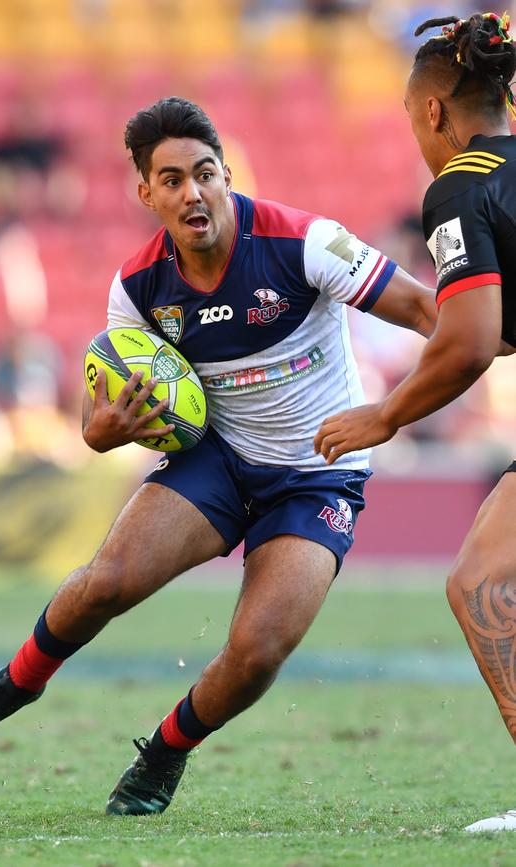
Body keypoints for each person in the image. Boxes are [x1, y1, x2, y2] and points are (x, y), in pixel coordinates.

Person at [0, 97, 435, 816]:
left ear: (226, 174)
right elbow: (94, 423)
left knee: (257, 651)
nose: (192, 192)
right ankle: (13, 681)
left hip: (318, 472)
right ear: (147, 194)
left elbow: (428, 313)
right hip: (220, 460)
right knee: (106, 581)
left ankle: (166, 749)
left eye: (204, 173)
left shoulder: (306, 244)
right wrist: (110, 428)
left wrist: (394, 410)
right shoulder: (138, 287)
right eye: (172, 180)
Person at [314, 11, 516, 833]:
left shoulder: (460, 184)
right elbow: (489, 329)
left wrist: (385, 414)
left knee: (481, 584)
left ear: (433, 111)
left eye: (409, 120)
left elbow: (469, 344)